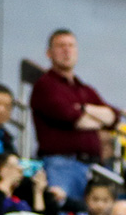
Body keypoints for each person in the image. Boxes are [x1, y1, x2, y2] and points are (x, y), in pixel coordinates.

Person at [29, 29, 116, 203]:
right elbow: (68, 115)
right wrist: (96, 119)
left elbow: (113, 117)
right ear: (49, 53)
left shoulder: (84, 89)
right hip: (61, 165)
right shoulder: (45, 85)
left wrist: (83, 108)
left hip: (92, 167)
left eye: (71, 46)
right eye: (61, 46)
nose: (67, 50)